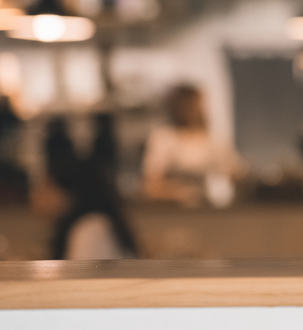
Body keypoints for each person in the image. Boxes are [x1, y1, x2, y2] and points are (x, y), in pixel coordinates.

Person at [33, 118, 138, 260]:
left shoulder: (90, 232)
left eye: (48, 186)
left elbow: (78, 282)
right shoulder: (92, 226)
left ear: (72, 193)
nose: (35, 195)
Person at [142, 84, 239, 207]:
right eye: (187, 104)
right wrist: (181, 194)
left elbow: (235, 173)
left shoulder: (214, 141)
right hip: (172, 211)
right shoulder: (164, 139)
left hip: (211, 210)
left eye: (196, 104)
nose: (192, 109)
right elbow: (151, 185)